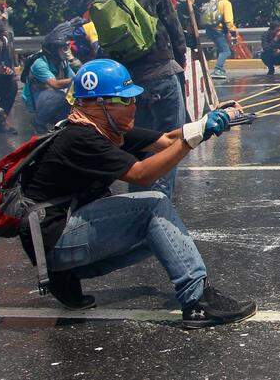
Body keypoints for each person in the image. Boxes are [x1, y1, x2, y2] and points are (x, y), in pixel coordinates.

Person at [17, 58, 256, 327]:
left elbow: (165, 140)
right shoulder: (81, 138)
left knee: (162, 234)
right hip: (54, 242)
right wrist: (193, 139)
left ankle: (66, 277)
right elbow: (142, 174)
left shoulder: (104, 128)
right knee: (154, 205)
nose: (133, 106)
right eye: (124, 101)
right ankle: (198, 300)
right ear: (99, 104)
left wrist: (206, 123)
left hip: (57, 243)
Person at [91, 0, 188, 197]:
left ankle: (138, 206)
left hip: (129, 79)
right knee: (168, 147)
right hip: (160, 70)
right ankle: (158, 211)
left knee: (141, 146)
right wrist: (179, 57)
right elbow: (168, 18)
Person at [21, 24, 77, 133]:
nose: (65, 50)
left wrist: (74, 62)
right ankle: (38, 121)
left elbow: (74, 78)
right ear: (54, 49)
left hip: (52, 97)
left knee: (74, 99)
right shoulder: (39, 63)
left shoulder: (63, 62)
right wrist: (76, 80)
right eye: (62, 48)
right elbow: (54, 84)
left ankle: (60, 123)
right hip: (39, 98)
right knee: (58, 96)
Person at [204, 0, 237, 80]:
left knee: (221, 49)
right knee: (226, 51)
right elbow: (228, 20)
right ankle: (217, 69)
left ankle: (220, 69)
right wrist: (232, 30)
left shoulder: (213, 2)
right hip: (218, 30)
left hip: (209, 30)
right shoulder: (226, 3)